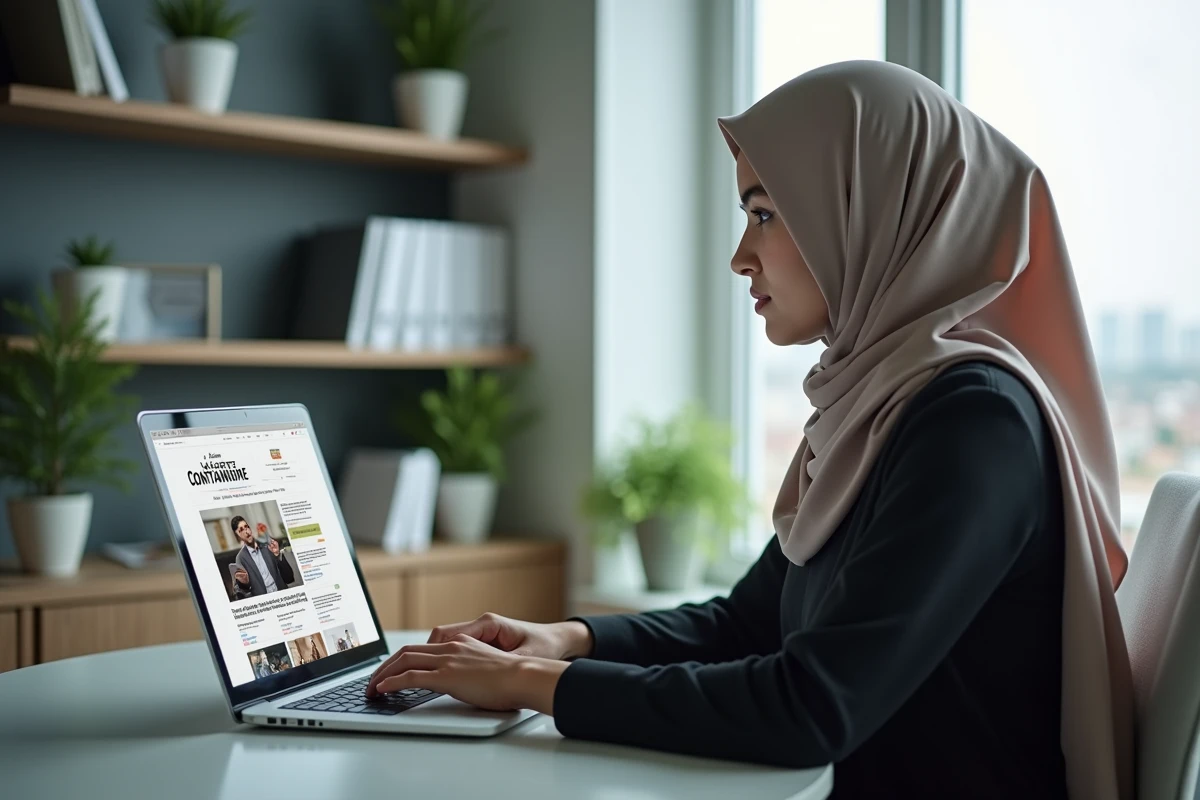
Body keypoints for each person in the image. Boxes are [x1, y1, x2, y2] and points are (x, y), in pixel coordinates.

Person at [365, 61, 1134, 799]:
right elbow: (747, 621)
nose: (741, 257)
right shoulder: (880, 402)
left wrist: (535, 687)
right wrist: (567, 640)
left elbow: (811, 707)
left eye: (765, 214)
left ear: (867, 211)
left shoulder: (975, 424)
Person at [229, 515, 295, 600]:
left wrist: (278, 554)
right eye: (241, 530)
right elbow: (243, 592)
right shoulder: (240, 558)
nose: (246, 531)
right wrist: (244, 583)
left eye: (246, 527)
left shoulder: (268, 546)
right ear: (237, 536)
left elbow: (289, 578)